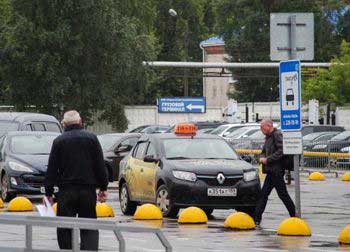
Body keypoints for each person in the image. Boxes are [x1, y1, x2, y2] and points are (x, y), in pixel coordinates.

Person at [44, 110, 108, 251]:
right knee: (89, 226)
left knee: (65, 228)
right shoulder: (92, 139)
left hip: (66, 192)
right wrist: (103, 188)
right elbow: (99, 165)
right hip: (87, 191)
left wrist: (48, 193)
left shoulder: (59, 141)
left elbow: (52, 169)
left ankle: (67, 250)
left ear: (64, 124)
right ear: (80, 121)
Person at [254, 119, 296, 225]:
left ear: (269, 126)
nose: (261, 130)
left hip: (276, 170)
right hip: (271, 171)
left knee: (282, 194)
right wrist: (262, 157)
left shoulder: (277, 135)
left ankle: (295, 215)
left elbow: (281, 151)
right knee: (264, 194)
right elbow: (263, 152)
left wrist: (268, 159)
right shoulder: (268, 137)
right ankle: (256, 219)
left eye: (262, 127)